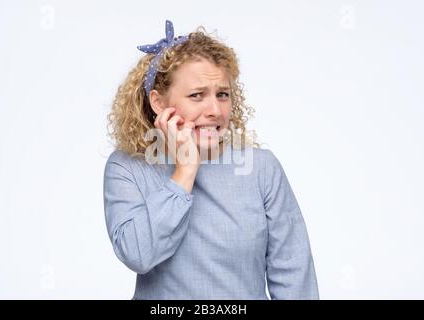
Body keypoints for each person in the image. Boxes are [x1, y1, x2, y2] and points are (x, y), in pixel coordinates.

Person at [103, 20, 319, 300]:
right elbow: (138, 255)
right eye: (196, 96)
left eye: (223, 95)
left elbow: (294, 275)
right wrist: (185, 170)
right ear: (158, 103)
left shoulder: (261, 168)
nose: (215, 110)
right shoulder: (128, 167)